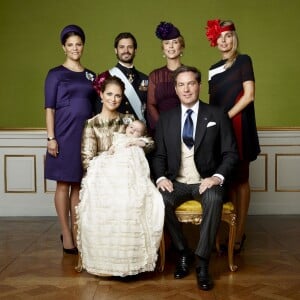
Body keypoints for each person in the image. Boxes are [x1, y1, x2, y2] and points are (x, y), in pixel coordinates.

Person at [151, 65, 238, 290]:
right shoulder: (166, 118)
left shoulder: (217, 114)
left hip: (206, 180)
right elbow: (159, 155)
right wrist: (161, 178)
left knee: (214, 199)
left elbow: (230, 153)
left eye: (191, 83)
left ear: (199, 86)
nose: (186, 89)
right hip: (177, 182)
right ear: (176, 89)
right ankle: (183, 251)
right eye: (181, 85)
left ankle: (202, 261)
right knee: (160, 201)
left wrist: (217, 177)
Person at [76, 75, 164, 277]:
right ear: (101, 94)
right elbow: (87, 160)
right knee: (111, 203)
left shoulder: (128, 120)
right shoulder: (92, 124)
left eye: (118, 95)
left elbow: (150, 143)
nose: (113, 99)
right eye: (109, 94)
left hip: (128, 179)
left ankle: (130, 262)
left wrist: (138, 143)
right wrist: (109, 163)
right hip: (102, 179)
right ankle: (106, 263)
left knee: (137, 202)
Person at [205, 19, 260, 253]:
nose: (224, 41)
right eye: (220, 37)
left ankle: (239, 233)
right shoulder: (212, 69)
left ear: (234, 38)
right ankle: (226, 229)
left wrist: (225, 117)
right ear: (215, 42)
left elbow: (249, 96)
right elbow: (212, 103)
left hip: (239, 125)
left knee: (241, 179)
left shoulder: (244, 61)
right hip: (220, 129)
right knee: (225, 180)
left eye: (228, 36)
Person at [44, 24, 98, 254]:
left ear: (83, 46)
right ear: (63, 47)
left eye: (78, 44)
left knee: (78, 184)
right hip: (63, 135)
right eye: (70, 45)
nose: (75, 48)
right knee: (63, 183)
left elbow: (97, 110)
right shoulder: (55, 74)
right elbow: (49, 108)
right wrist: (51, 138)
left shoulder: (91, 76)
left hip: (84, 135)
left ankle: (77, 231)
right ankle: (66, 233)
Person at [94, 32, 148, 122]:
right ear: (116, 50)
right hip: (115, 131)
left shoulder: (145, 79)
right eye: (122, 47)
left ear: (135, 50)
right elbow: (99, 110)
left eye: (130, 47)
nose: (126, 50)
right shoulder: (104, 77)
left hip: (138, 132)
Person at [147, 21, 185, 136]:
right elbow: (151, 105)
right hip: (161, 130)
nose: (171, 46)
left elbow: (194, 104)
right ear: (163, 49)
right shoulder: (155, 76)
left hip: (185, 127)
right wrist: (163, 126)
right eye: (167, 43)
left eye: (175, 42)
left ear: (182, 46)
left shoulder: (189, 74)